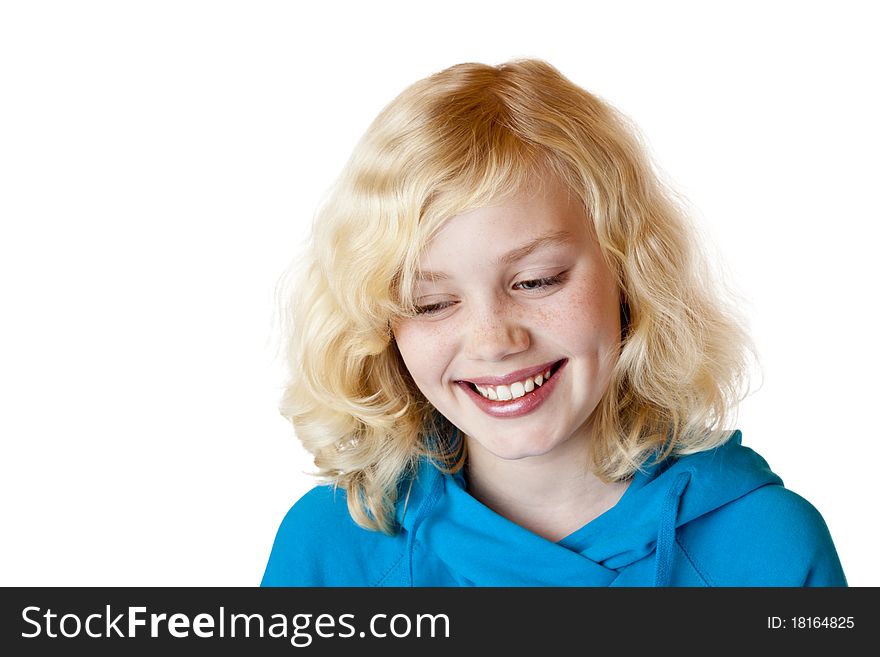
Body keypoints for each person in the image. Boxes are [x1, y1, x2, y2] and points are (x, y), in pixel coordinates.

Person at [261, 59, 846, 586]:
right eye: (432, 304)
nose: (494, 341)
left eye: (535, 281)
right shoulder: (330, 550)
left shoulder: (767, 549)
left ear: (628, 273)